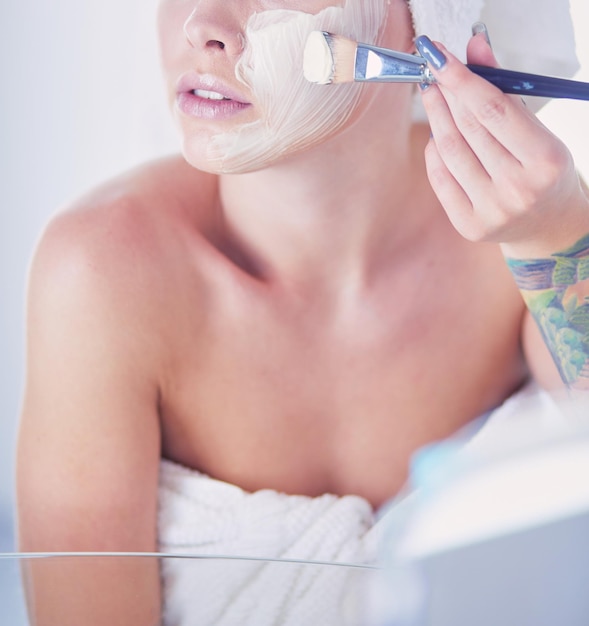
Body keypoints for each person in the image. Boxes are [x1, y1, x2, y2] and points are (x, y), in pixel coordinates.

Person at [16, 0, 589, 624]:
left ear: (433, 21)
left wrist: (558, 241)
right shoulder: (103, 275)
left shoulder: (516, 229)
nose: (200, 25)